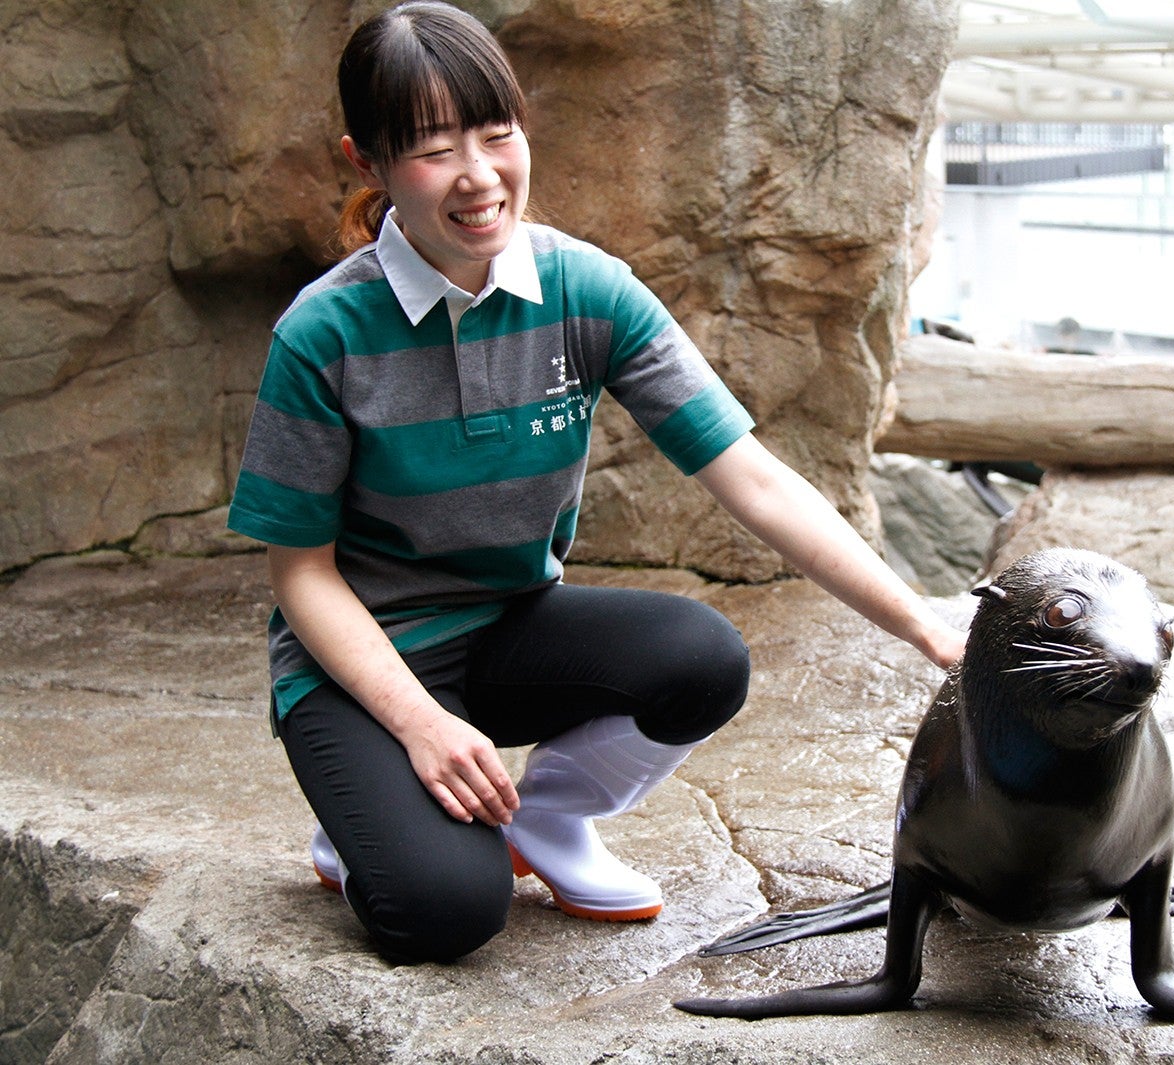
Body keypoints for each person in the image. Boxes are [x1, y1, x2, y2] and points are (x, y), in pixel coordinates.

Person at [226, 0, 966, 965]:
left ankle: (549, 817)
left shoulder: (587, 289)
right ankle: (377, 813)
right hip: (361, 666)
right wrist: (420, 727)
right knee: (445, 912)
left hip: (506, 629)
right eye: (434, 148)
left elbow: (750, 476)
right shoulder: (324, 333)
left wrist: (921, 621)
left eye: (498, 134)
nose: (479, 174)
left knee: (702, 657)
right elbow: (302, 576)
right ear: (366, 161)